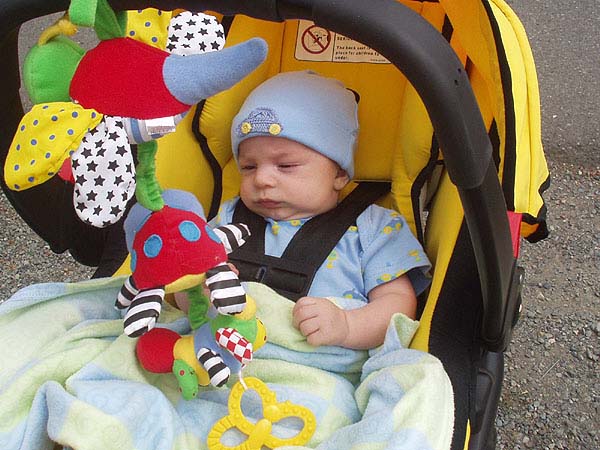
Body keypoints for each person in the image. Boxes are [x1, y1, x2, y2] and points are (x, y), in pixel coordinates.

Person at [203, 70, 431, 350]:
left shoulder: (374, 229)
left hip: (323, 366)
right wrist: (199, 292)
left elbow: (398, 304)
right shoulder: (228, 219)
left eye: (285, 166)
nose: (261, 179)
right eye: (249, 167)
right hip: (228, 356)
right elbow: (182, 280)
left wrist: (348, 326)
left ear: (339, 173)